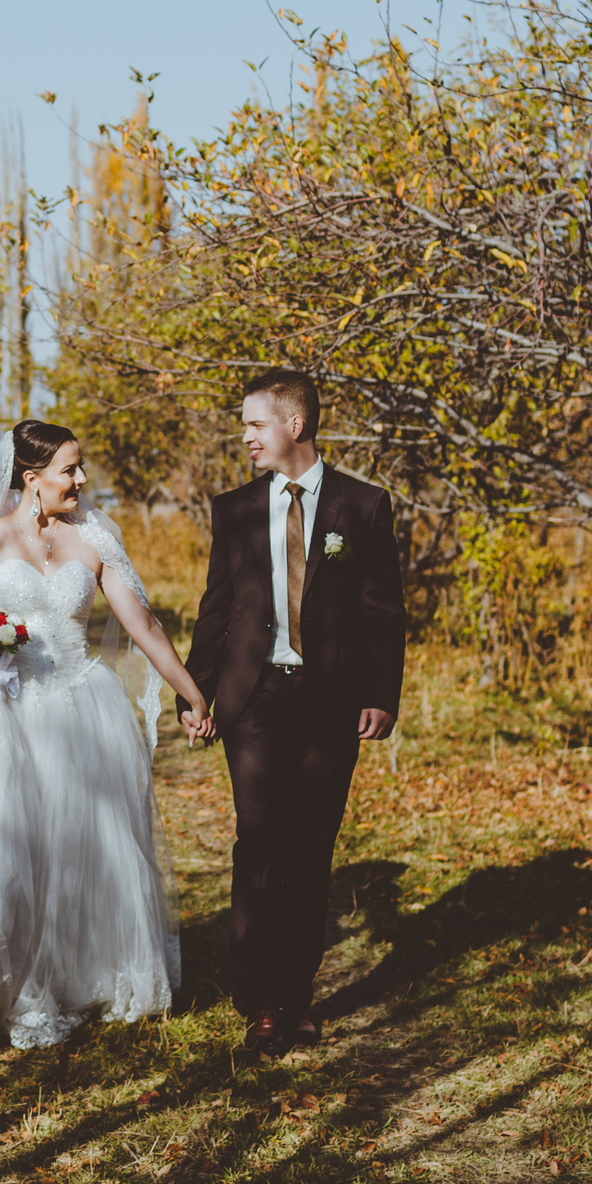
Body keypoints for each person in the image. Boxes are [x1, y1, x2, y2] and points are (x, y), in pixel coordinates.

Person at [0, 419, 217, 1051]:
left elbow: (142, 624)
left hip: (83, 709)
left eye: (79, 467)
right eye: (69, 469)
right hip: (4, 712)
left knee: (81, 850)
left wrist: (190, 691)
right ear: (32, 479)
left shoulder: (95, 538)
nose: (81, 479)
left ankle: (69, 976)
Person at [185, 368, 405, 1055]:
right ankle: (259, 1001)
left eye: (256, 424)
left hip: (330, 700)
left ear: (295, 425)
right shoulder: (235, 509)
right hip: (254, 696)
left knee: (311, 847)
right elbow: (217, 608)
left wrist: (382, 694)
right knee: (259, 839)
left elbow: (382, 609)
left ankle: (295, 997)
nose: (246, 437)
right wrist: (197, 691)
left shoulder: (363, 505)